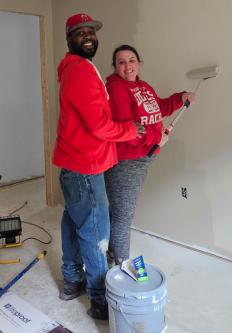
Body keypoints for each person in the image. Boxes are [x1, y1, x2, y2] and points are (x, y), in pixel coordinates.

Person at [53, 17, 144, 320]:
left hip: (73, 162)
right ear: (70, 37)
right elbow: (100, 125)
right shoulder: (80, 71)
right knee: (96, 234)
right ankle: (99, 298)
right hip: (86, 166)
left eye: (91, 32)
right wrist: (130, 130)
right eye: (81, 33)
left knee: (73, 222)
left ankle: (71, 281)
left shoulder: (73, 67)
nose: (88, 36)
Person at [105, 44, 196, 265]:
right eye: (121, 62)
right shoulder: (117, 88)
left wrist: (180, 97)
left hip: (144, 157)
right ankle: (121, 265)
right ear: (115, 66)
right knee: (123, 216)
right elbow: (125, 129)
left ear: (139, 63)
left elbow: (159, 108)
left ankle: (110, 252)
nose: (128, 66)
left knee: (119, 211)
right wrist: (156, 139)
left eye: (132, 60)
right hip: (126, 161)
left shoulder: (142, 86)